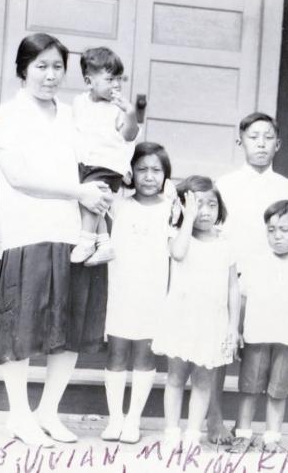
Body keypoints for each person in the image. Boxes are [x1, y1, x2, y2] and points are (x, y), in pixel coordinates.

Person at [0, 33, 114, 447]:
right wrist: (80, 193)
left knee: (70, 329)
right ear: (23, 68)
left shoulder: (71, 116)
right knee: (22, 327)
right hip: (29, 232)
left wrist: (97, 199)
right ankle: (19, 417)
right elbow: (18, 177)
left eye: (57, 66)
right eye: (41, 66)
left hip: (73, 233)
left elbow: (93, 166)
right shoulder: (6, 115)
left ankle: (47, 413)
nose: (50, 75)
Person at [206, 112, 288, 445]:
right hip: (229, 277)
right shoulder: (226, 184)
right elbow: (213, 231)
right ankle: (214, 418)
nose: (260, 144)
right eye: (253, 137)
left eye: (268, 137)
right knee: (221, 348)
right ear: (240, 142)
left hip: (267, 282)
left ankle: (249, 425)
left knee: (259, 351)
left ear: (278, 144)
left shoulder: (286, 187)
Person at [228, 200, 288, 453]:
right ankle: (243, 433)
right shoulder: (255, 263)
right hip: (256, 337)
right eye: (271, 230)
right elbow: (243, 297)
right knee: (249, 387)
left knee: (277, 391)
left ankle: (272, 437)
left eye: (285, 230)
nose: (277, 236)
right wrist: (237, 330)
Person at [151, 176, 240, 450]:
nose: (205, 211)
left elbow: (233, 288)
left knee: (204, 380)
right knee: (176, 377)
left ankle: (192, 433)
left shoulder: (226, 243)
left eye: (211, 205)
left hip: (212, 321)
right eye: (197, 205)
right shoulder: (178, 237)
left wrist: (233, 326)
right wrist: (185, 218)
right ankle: (171, 430)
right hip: (182, 317)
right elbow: (178, 254)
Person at [101, 142, 173, 444]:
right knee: (117, 353)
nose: (148, 176)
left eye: (156, 170)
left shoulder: (171, 209)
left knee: (145, 354)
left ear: (166, 175)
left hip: (153, 293)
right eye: (141, 169)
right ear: (131, 173)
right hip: (120, 290)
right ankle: (115, 418)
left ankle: (133, 419)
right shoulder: (119, 205)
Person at [69, 47, 139, 265]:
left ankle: (87, 240)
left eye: (119, 79)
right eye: (110, 79)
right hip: (87, 162)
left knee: (90, 197)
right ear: (89, 82)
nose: (117, 85)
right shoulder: (80, 102)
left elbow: (130, 135)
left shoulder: (118, 109)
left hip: (108, 164)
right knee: (92, 199)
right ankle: (105, 243)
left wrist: (130, 114)